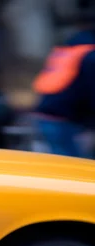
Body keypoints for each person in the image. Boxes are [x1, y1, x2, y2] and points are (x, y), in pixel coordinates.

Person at [32, 2, 95, 158]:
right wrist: (90, 126)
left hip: (47, 114)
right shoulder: (89, 56)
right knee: (79, 171)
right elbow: (91, 92)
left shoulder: (69, 49)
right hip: (67, 122)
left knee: (62, 165)